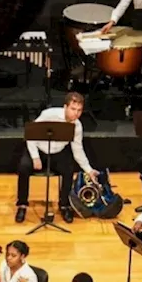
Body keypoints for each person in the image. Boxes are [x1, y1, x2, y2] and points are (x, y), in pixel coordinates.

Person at [20, 92, 98, 224]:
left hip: (58, 152)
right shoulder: (49, 114)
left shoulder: (77, 126)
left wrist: (89, 170)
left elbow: (78, 150)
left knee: (68, 169)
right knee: (23, 167)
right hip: (39, 150)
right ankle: (22, 204)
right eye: (73, 109)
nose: (76, 113)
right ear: (65, 107)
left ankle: (64, 205)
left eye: (79, 110)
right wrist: (35, 157)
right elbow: (31, 134)